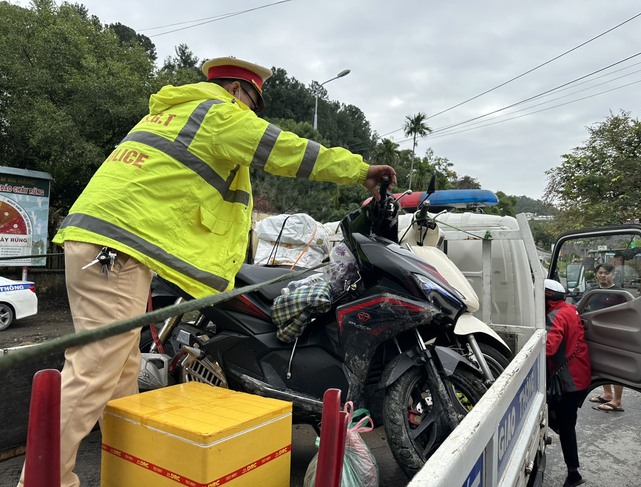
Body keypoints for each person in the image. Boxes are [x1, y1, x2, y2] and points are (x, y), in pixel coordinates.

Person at [16, 56, 396, 487]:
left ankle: (128, 473)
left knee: (121, 371)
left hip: (103, 243)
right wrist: (360, 170)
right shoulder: (217, 114)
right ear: (237, 91)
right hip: (116, 250)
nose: (252, 115)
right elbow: (287, 150)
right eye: (252, 104)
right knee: (94, 371)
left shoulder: (174, 113)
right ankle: (43, 480)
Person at [545, 279, 591, 487]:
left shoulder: (554, 315)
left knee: (564, 424)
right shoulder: (570, 309)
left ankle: (574, 474)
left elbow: (548, 348)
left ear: (546, 298)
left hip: (567, 381)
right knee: (564, 421)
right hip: (581, 375)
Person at [586, 263, 626, 412]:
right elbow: (580, 307)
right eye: (600, 273)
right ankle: (608, 394)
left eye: (606, 273)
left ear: (613, 275)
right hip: (596, 335)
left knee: (615, 368)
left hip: (614, 336)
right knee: (602, 366)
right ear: (596, 275)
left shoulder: (621, 294)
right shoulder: (591, 292)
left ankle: (617, 400)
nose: (603, 275)